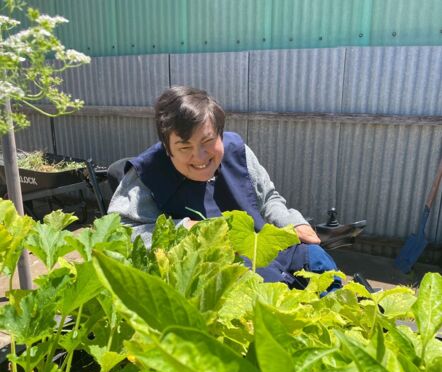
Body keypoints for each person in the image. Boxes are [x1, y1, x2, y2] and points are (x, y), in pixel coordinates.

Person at [108, 85, 339, 289]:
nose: (199, 156)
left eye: (208, 141)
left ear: (220, 134)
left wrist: (291, 222)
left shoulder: (238, 152)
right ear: (167, 148)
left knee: (318, 261)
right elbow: (120, 231)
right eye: (184, 147)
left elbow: (268, 198)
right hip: (216, 272)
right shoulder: (146, 173)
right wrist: (185, 228)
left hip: (263, 250)